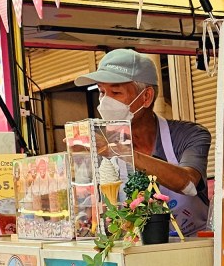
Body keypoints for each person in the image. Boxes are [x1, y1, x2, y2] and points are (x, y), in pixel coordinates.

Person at [79, 48, 212, 236]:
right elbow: (88, 214)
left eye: (116, 93)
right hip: (138, 255)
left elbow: (188, 184)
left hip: (193, 252)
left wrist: (122, 151)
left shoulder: (189, 134)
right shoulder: (102, 147)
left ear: (146, 97)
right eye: (102, 92)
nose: (105, 103)